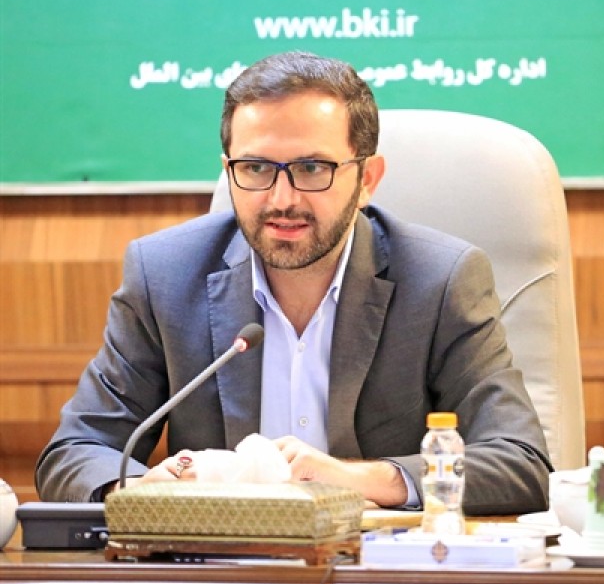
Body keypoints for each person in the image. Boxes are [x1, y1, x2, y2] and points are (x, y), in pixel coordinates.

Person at [36, 50, 552, 514]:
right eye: (256, 168)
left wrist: (360, 478)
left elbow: (519, 462)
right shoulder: (166, 275)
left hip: (374, 572)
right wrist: (139, 488)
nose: (282, 199)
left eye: (311, 168)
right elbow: (76, 451)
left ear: (367, 179)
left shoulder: (438, 281)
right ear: (229, 170)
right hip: (220, 570)